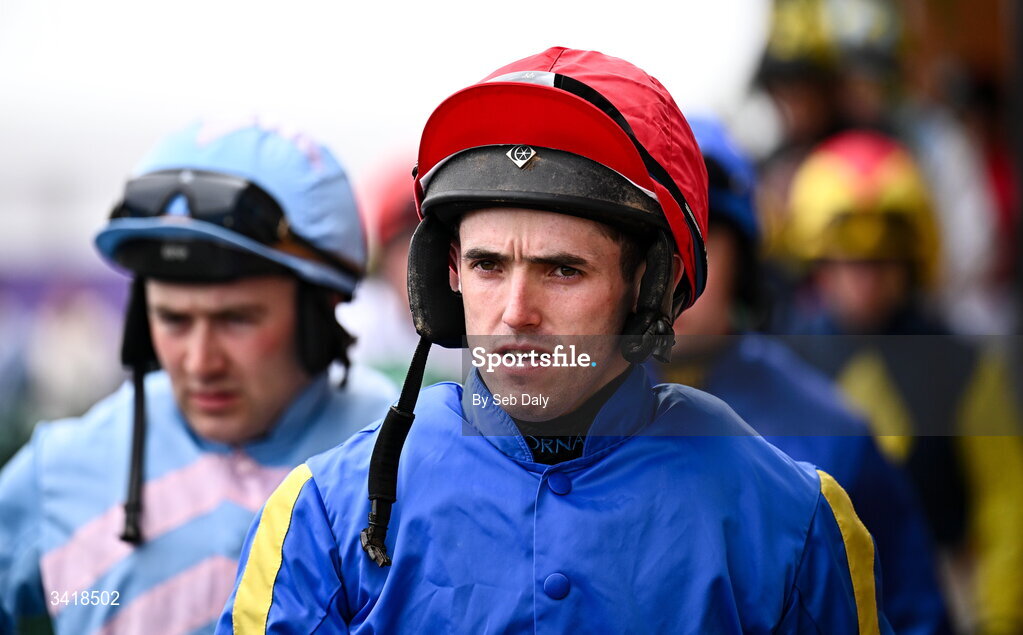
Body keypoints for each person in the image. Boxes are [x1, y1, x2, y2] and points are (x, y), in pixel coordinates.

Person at [218, 48, 891, 633]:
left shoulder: (794, 524)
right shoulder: (321, 515)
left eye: (562, 269)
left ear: (647, 288)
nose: (515, 313)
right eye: (486, 265)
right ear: (445, 273)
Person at [0, 119, 398, 634]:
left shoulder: (404, 460)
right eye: (171, 319)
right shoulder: (59, 468)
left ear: (322, 315)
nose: (198, 362)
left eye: (237, 319)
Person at [669, 117, 951, 634]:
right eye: (643, 241)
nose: (671, 271)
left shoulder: (837, 436)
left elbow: (913, 613)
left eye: (696, 238)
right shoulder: (548, 431)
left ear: (745, 263)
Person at [782, 129, 1023, 633]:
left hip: (943, 593)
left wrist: (999, 617)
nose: (864, 279)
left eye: (881, 261)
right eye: (848, 261)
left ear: (911, 261)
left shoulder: (963, 364)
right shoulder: (783, 359)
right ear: (818, 264)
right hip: (812, 594)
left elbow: (1006, 506)